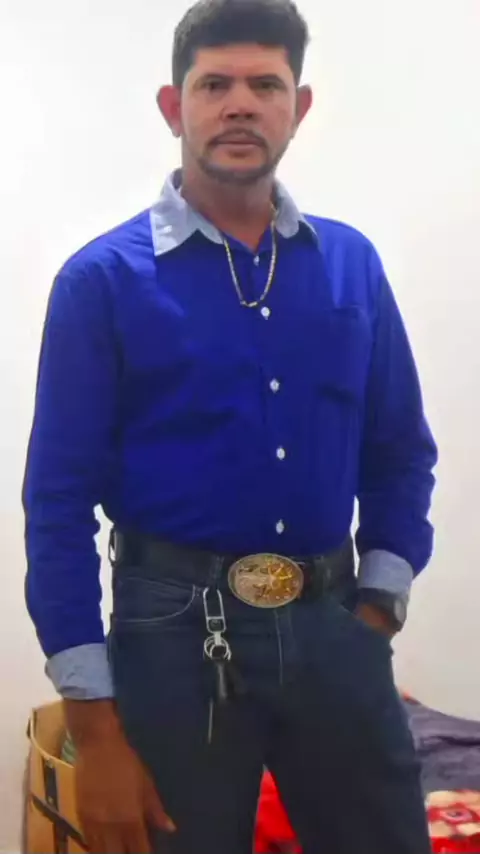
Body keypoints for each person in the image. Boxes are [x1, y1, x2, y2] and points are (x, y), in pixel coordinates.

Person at [23, 0, 438, 852]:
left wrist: (377, 612)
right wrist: (94, 730)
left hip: (336, 623)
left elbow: (400, 451)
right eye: (214, 84)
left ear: (299, 106)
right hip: (171, 638)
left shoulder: (351, 264)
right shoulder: (100, 283)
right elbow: (56, 507)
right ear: (173, 107)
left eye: (265, 85)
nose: (240, 104)